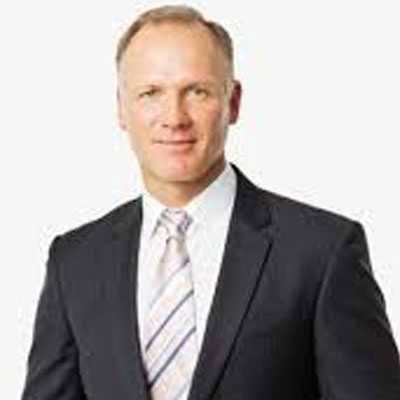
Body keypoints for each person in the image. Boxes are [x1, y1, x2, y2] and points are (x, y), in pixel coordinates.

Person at [21, 5, 400, 400]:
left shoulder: (321, 252)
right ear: (121, 108)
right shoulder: (75, 261)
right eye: (150, 93)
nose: (174, 117)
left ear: (233, 102)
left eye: (197, 92)